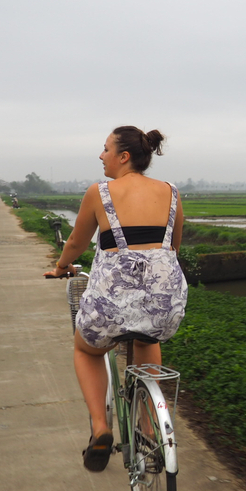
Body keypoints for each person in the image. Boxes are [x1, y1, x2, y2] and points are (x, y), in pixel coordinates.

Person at [43, 126, 188, 472]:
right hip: (165, 305)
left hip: (112, 304)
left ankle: (99, 428)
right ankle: (150, 429)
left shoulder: (100, 192)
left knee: (85, 349)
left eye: (105, 149)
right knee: (146, 337)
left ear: (123, 156)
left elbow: (77, 243)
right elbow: (173, 248)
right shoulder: (171, 192)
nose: (101, 155)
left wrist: (61, 266)